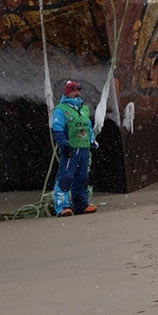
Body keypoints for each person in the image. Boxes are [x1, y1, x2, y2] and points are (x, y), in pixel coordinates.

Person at [50, 79, 97, 216]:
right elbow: (57, 129)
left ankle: (81, 205)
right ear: (67, 92)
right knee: (65, 177)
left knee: (82, 178)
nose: (77, 93)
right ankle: (61, 207)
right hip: (71, 148)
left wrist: (92, 142)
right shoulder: (61, 110)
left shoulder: (83, 109)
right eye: (74, 90)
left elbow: (87, 127)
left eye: (78, 90)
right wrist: (63, 144)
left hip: (83, 147)